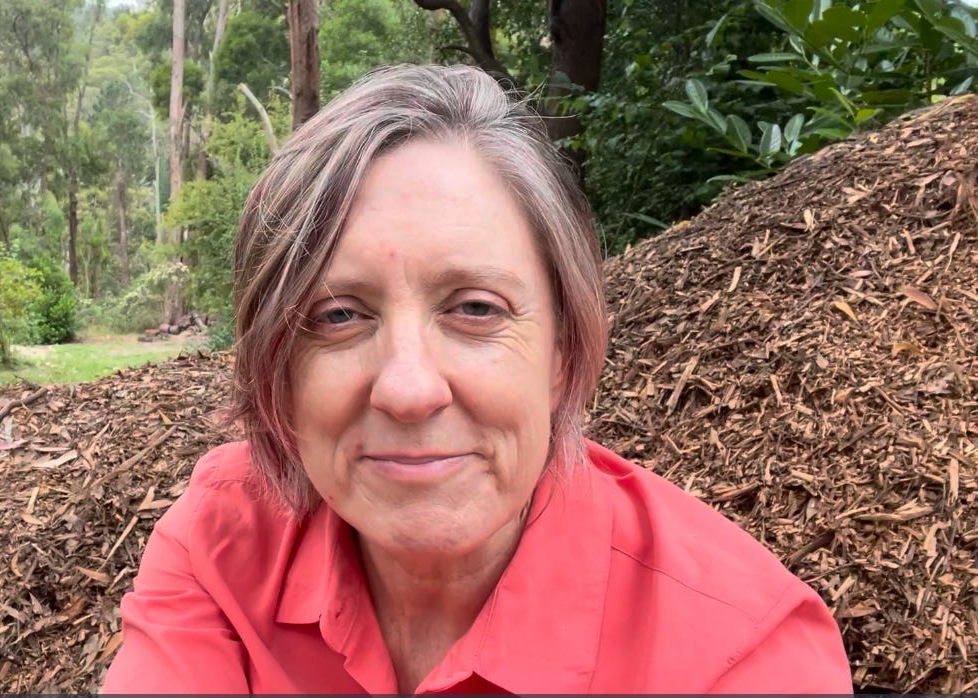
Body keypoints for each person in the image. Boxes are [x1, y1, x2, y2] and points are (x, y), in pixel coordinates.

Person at [101, 64, 851, 694]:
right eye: (337, 316)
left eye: (474, 308)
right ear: (278, 370)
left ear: (562, 352)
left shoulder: (741, 657)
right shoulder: (224, 540)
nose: (407, 388)